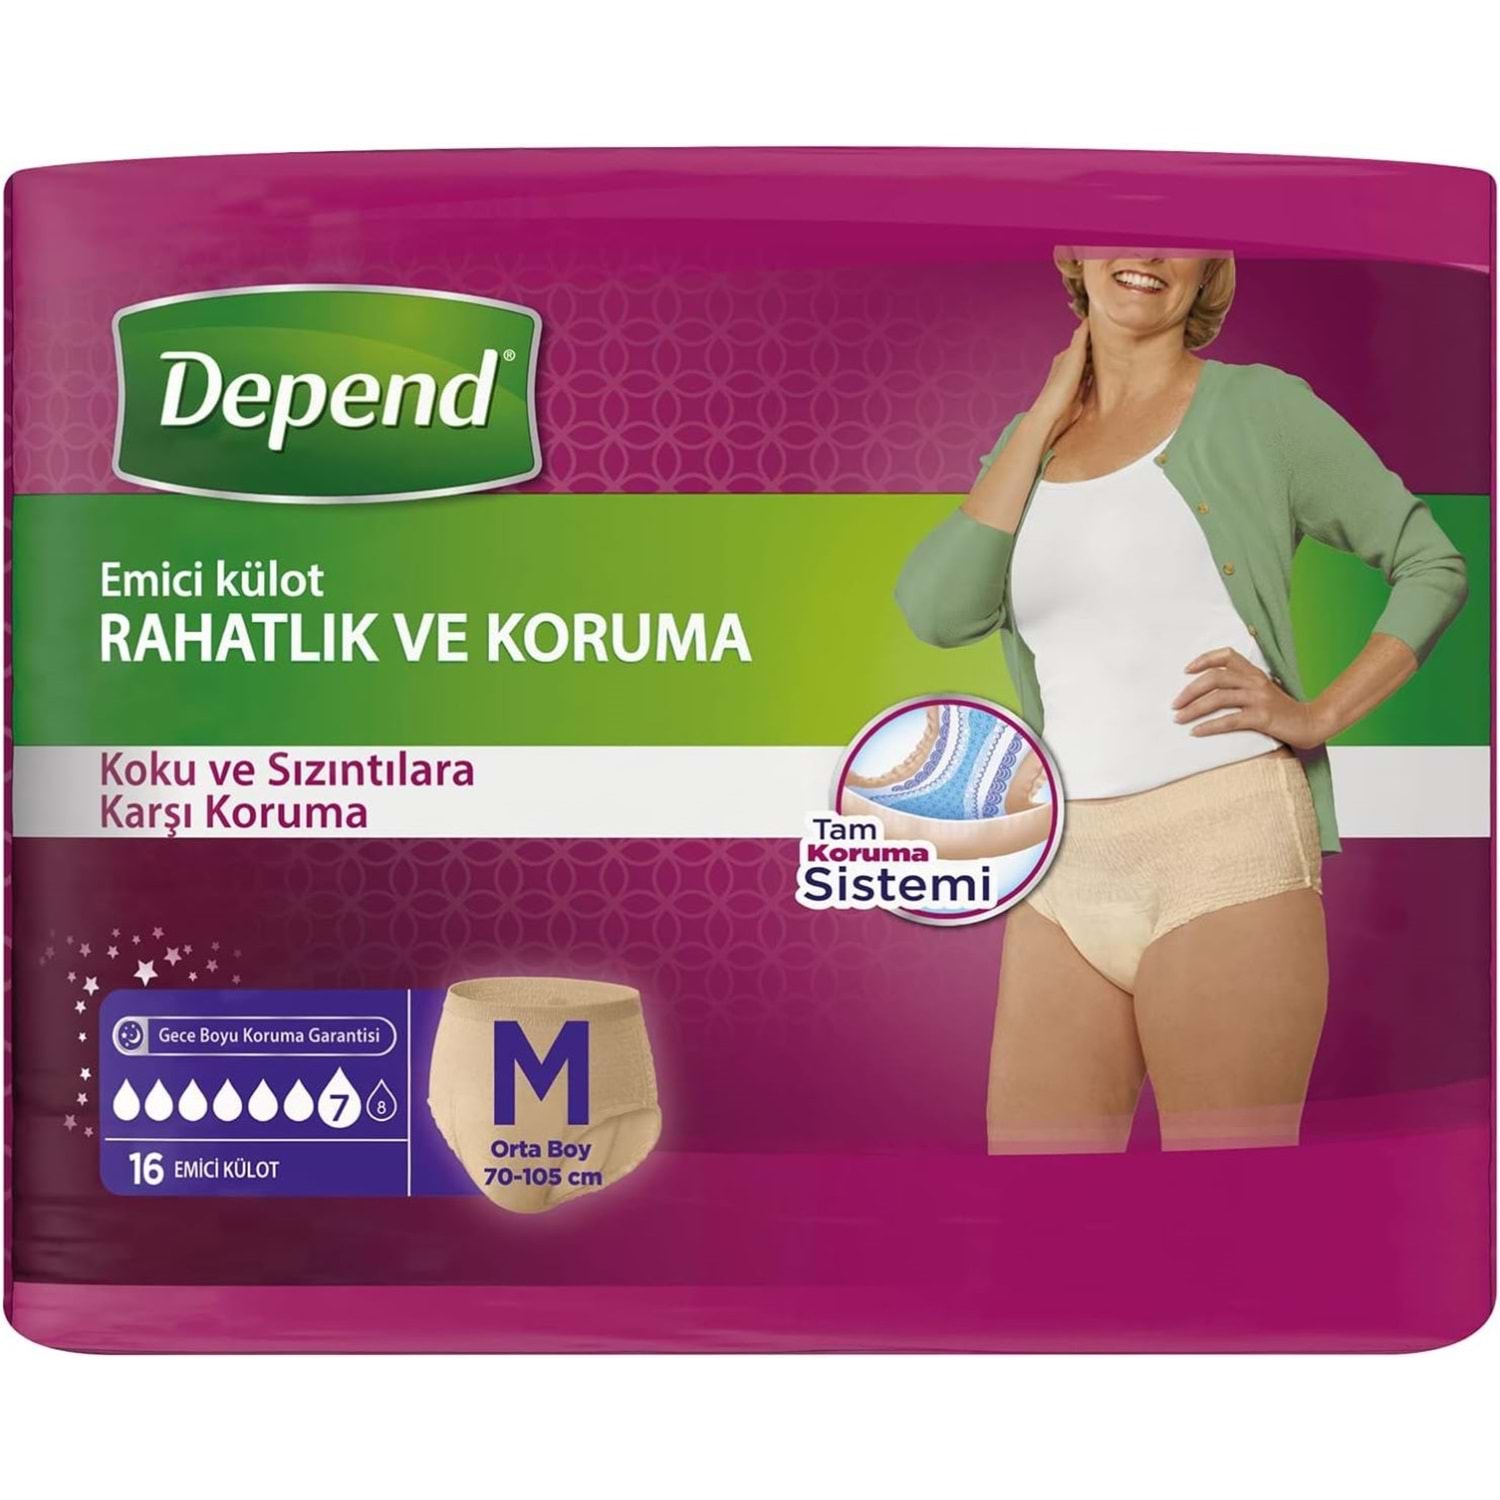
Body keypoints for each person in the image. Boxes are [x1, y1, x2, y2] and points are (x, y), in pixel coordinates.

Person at [895, 253, 1467, 1152]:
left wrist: (1316, 716)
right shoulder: (1027, 441)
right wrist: (1044, 413)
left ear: (1209, 271)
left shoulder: (1260, 409)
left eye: (1178, 235)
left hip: (1225, 842)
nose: (1148, 252)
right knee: (1038, 1211)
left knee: (1227, 1208)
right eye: (1119, 229)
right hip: (1061, 864)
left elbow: (1431, 562)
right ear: (1073, 256)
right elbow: (938, 612)